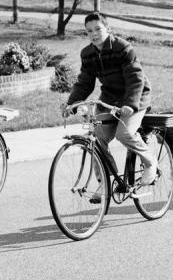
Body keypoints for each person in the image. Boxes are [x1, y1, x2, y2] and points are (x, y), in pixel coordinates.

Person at [64, 12, 157, 188]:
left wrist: (130, 104)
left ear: (107, 28)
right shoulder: (87, 54)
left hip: (136, 96)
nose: (93, 34)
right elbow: (84, 83)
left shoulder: (122, 48)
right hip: (109, 99)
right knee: (97, 138)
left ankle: (150, 162)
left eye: (98, 29)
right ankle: (107, 182)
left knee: (124, 134)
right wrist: (72, 104)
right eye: (89, 31)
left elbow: (135, 78)